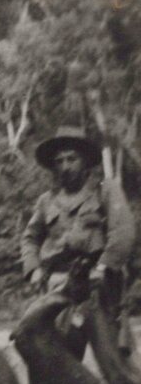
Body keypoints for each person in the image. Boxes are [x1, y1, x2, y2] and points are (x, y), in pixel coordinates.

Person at [19, 126, 136, 360]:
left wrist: (102, 267)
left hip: (99, 287)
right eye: (59, 161)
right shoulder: (46, 201)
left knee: (118, 363)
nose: (65, 166)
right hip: (59, 288)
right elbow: (29, 237)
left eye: (72, 159)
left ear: (85, 162)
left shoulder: (105, 191)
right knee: (57, 360)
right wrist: (34, 269)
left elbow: (123, 232)